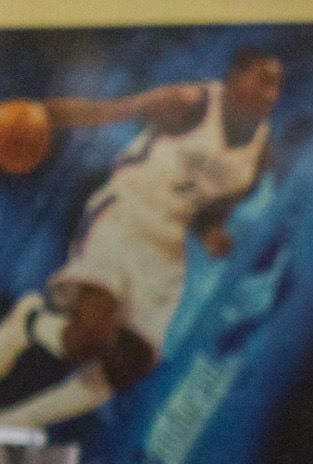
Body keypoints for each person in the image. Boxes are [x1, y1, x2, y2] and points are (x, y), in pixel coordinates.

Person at [0, 48, 282, 429]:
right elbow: (102, 112)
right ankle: (29, 321)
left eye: (275, 85)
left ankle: (12, 425)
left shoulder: (260, 155)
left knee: (128, 366)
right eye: (262, 80)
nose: (269, 93)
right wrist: (43, 113)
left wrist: (212, 233)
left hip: (167, 248)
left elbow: (211, 212)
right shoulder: (187, 104)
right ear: (234, 77)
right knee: (88, 340)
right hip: (124, 217)